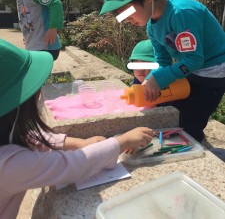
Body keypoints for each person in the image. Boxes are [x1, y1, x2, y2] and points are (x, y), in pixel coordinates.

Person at [0, 38, 153, 218]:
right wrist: (122, 141)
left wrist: (78, 142)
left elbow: (29, 137)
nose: (39, 92)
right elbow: (72, 166)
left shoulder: (6, 137)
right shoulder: (8, 167)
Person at [100, 0, 225, 142]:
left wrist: (158, 79)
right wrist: (151, 80)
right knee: (170, 109)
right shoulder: (152, 26)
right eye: (121, 16)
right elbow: (163, 61)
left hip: (213, 71)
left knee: (189, 123)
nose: (126, 20)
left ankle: (199, 151)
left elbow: (194, 59)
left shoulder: (181, 13)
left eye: (127, 12)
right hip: (192, 68)